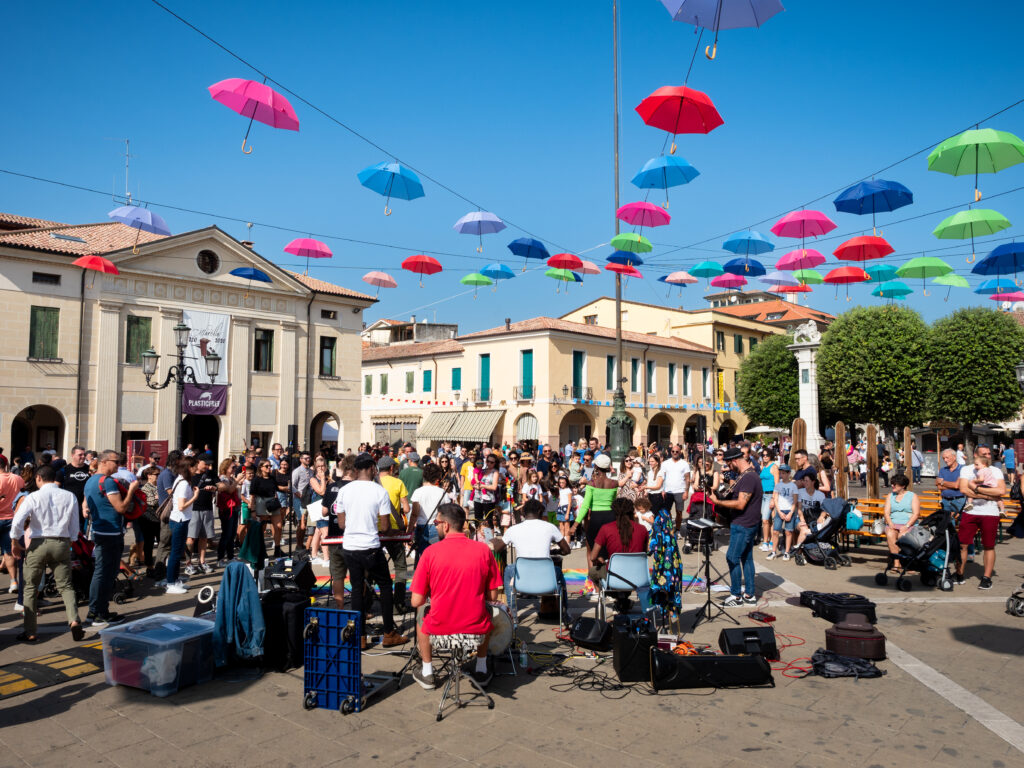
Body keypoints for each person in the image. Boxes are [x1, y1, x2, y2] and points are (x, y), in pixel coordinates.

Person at [410, 503, 502, 690]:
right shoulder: (483, 550)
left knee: (421, 611)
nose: (435, 526)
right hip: (475, 629)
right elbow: (493, 595)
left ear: (445, 525)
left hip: (439, 629)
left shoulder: (429, 553)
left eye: (436, 522)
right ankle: (482, 667)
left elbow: (416, 601)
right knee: (488, 609)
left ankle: (428, 671)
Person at [334, 454, 407, 648]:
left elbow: (341, 523)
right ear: (373, 469)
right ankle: (389, 632)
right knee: (384, 586)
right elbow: (384, 527)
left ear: (356, 470)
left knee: (357, 589)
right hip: (370, 547)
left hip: (350, 546)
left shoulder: (345, 490)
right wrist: (394, 531)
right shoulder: (378, 491)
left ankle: (360, 636)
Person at [11, 465, 84, 642]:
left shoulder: (33, 497)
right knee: (65, 586)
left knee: (30, 587)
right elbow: (75, 523)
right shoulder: (69, 496)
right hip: (61, 541)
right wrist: (71, 540)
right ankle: (74, 620)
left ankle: (30, 630)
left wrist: (14, 540)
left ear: (38, 478)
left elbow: (18, 520)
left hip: (38, 542)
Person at [492, 498, 570, 625]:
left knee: (508, 570)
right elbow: (567, 550)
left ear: (523, 513)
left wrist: (494, 540)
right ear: (540, 511)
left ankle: (513, 616)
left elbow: (498, 548)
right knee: (558, 572)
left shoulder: (513, 529)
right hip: (547, 582)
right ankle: (565, 614)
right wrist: (554, 552)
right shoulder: (550, 527)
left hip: (522, 581)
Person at [83, 450, 138, 626]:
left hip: (100, 531)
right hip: (111, 533)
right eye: (115, 461)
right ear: (104, 462)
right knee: (106, 574)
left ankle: (95, 611)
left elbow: (86, 504)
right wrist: (131, 491)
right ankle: (99, 612)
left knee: (101, 573)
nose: (118, 465)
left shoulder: (91, 480)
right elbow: (121, 508)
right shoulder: (107, 482)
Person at [711, 447, 762, 607]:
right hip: (746, 523)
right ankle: (750, 594)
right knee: (746, 558)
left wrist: (718, 502)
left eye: (728, 463)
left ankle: (736, 595)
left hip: (743, 524)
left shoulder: (749, 477)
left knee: (732, 557)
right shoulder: (745, 475)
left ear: (734, 460)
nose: (727, 467)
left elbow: (741, 504)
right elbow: (736, 490)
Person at [958, 447, 1004, 590]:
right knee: (962, 544)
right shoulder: (967, 469)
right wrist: (989, 495)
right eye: (985, 454)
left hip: (990, 512)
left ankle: (986, 577)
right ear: (976, 455)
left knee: (989, 545)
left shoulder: (996, 470)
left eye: (990, 453)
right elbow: (964, 489)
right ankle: (959, 574)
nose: (988, 456)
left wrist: (976, 489)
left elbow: (1001, 491)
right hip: (971, 511)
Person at [377, 456, 411, 612]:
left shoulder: (372, 483)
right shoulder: (398, 483)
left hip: (375, 530)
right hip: (394, 529)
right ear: (391, 468)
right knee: (400, 567)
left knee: (372, 567)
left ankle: (369, 603)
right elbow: (406, 508)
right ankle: (399, 603)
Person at [587, 496, 648, 584]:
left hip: (613, 575)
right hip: (638, 576)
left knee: (593, 572)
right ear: (632, 512)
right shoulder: (642, 529)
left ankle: (609, 594)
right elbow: (644, 552)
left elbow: (592, 557)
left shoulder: (606, 528)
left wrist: (599, 559)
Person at [409, 462, 453, 565]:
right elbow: (448, 513)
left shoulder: (418, 492)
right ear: (438, 476)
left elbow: (414, 514)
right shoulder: (442, 492)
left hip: (421, 527)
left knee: (422, 558)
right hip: (437, 527)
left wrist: (410, 530)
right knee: (437, 558)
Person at [573, 454, 618, 546]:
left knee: (592, 548)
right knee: (608, 547)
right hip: (610, 516)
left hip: (596, 517)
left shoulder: (591, 483)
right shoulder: (614, 483)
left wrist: (575, 525)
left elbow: (585, 506)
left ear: (596, 466)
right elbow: (614, 502)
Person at [184, 457, 219, 575]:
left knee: (204, 537)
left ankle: (202, 562)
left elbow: (221, 486)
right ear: (198, 462)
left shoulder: (211, 474)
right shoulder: (189, 475)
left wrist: (215, 488)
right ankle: (188, 564)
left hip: (208, 509)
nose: (208, 467)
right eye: (206, 464)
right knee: (191, 538)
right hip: (193, 510)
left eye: (209, 465)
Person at [880, 473, 920, 573]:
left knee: (903, 536)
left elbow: (916, 514)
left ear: (902, 486)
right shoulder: (890, 496)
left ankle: (908, 563)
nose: (892, 486)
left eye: (895, 484)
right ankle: (896, 562)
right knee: (890, 534)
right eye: (892, 484)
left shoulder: (912, 496)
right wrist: (890, 523)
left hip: (908, 523)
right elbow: (886, 512)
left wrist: (906, 526)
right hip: (893, 522)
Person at [0, 456, 26, 595]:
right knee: (8, 551)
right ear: (6, 464)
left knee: (8, 551)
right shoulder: (17, 478)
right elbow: (23, 493)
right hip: (12, 518)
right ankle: (13, 581)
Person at [768, 464, 798, 560]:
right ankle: (773, 551)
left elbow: (795, 501)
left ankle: (787, 552)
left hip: (789, 510)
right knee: (776, 531)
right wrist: (779, 512)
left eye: (784, 473)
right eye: (781, 473)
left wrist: (790, 512)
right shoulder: (778, 485)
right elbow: (775, 499)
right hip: (780, 510)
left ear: (789, 473)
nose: (782, 475)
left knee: (788, 532)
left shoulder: (793, 486)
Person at [135, 466, 163, 573]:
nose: (158, 476)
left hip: (158, 518)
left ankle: (161, 564)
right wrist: (160, 496)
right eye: (156, 474)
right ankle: (149, 566)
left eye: (159, 474)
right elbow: (151, 501)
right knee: (149, 544)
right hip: (148, 519)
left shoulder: (159, 486)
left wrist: (159, 496)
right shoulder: (145, 488)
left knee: (162, 542)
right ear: (149, 476)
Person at [56, 445, 90, 530]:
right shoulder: (64, 470)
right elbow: (55, 488)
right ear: (72, 455)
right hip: (69, 506)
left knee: (84, 532)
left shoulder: (89, 469)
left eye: (84, 454)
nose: (83, 457)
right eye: (80, 455)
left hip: (86, 506)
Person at [661, 444, 691, 528]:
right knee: (666, 511)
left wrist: (686, 491)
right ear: (670, 452)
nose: (675, 453)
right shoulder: (665, 463)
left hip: (680, 491)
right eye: (673, 451)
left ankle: (678, 529)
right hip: (668, 491)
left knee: (679, 512)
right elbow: (662, 478)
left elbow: (687, 479)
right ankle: (670, 528)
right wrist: (662, 490)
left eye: (677, 451)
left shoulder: (684, 464)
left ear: (680, 452)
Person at [471, 453, 500, 528]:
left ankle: (489, 539)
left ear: (495, 463)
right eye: (488, 461)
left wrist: (483, 486)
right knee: (477, 519)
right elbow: (473, 481)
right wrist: (475, 485)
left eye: (492, 462)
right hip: (477, 498)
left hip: (489, 499)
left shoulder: (495, 472)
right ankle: (478, 538)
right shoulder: (482, 470)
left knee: (489, 521)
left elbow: (494, 487)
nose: (489, 463)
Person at [291, 452, 313, 551]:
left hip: (309, 499)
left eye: (309, 458)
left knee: (306, 523)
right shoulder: (297, 471)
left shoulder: (311, 471)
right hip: (299, 500)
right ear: (301, 459)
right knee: (301, 523)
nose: (308, 460)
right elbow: (292, 485)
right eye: (305, 458)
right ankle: (299, 545)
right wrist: (297, 493)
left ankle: (301, 544)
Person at [936, 448, 966, 519]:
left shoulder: (963, 469)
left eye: (947, 457)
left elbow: (957, 485)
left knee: (957, 522)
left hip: (958, 500)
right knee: (947, 523)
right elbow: (939, 487)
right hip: (945, 500)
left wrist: (942, 482)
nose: (945, 460)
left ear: (954, 457)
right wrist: (954, 485)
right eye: (943, 458)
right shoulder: (943, 470)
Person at [758, 449, 778, 552]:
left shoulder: (774, 467)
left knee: (765, 520)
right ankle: (770, 541)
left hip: (771, 495)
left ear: (771, 456)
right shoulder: (764, 467)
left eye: (767, 455)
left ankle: (766, 542)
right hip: (763, 495)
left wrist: (774, 499)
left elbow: (777, 484)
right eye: (763, 455)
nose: (765, 456)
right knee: (768, 520)